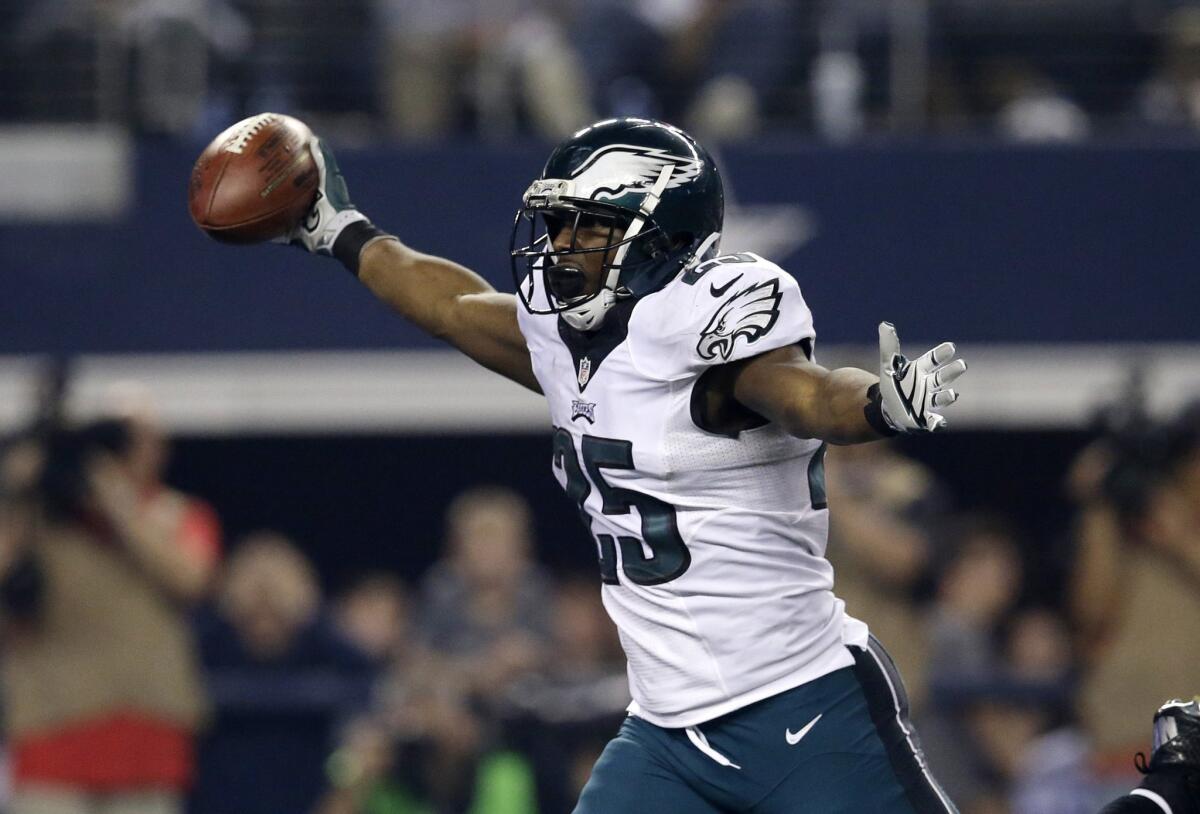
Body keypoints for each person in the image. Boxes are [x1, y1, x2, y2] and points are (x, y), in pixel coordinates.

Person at [255, 117, 968, 811]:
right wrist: (339, 232)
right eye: (558, 225)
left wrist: (878, 404)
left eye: (589, 226)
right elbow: (453, 303)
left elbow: (804, 392)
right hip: (664, 733)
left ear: (665, 237)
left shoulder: (709, 331)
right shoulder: (564, 339)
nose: (562, 247)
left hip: (805, 706)